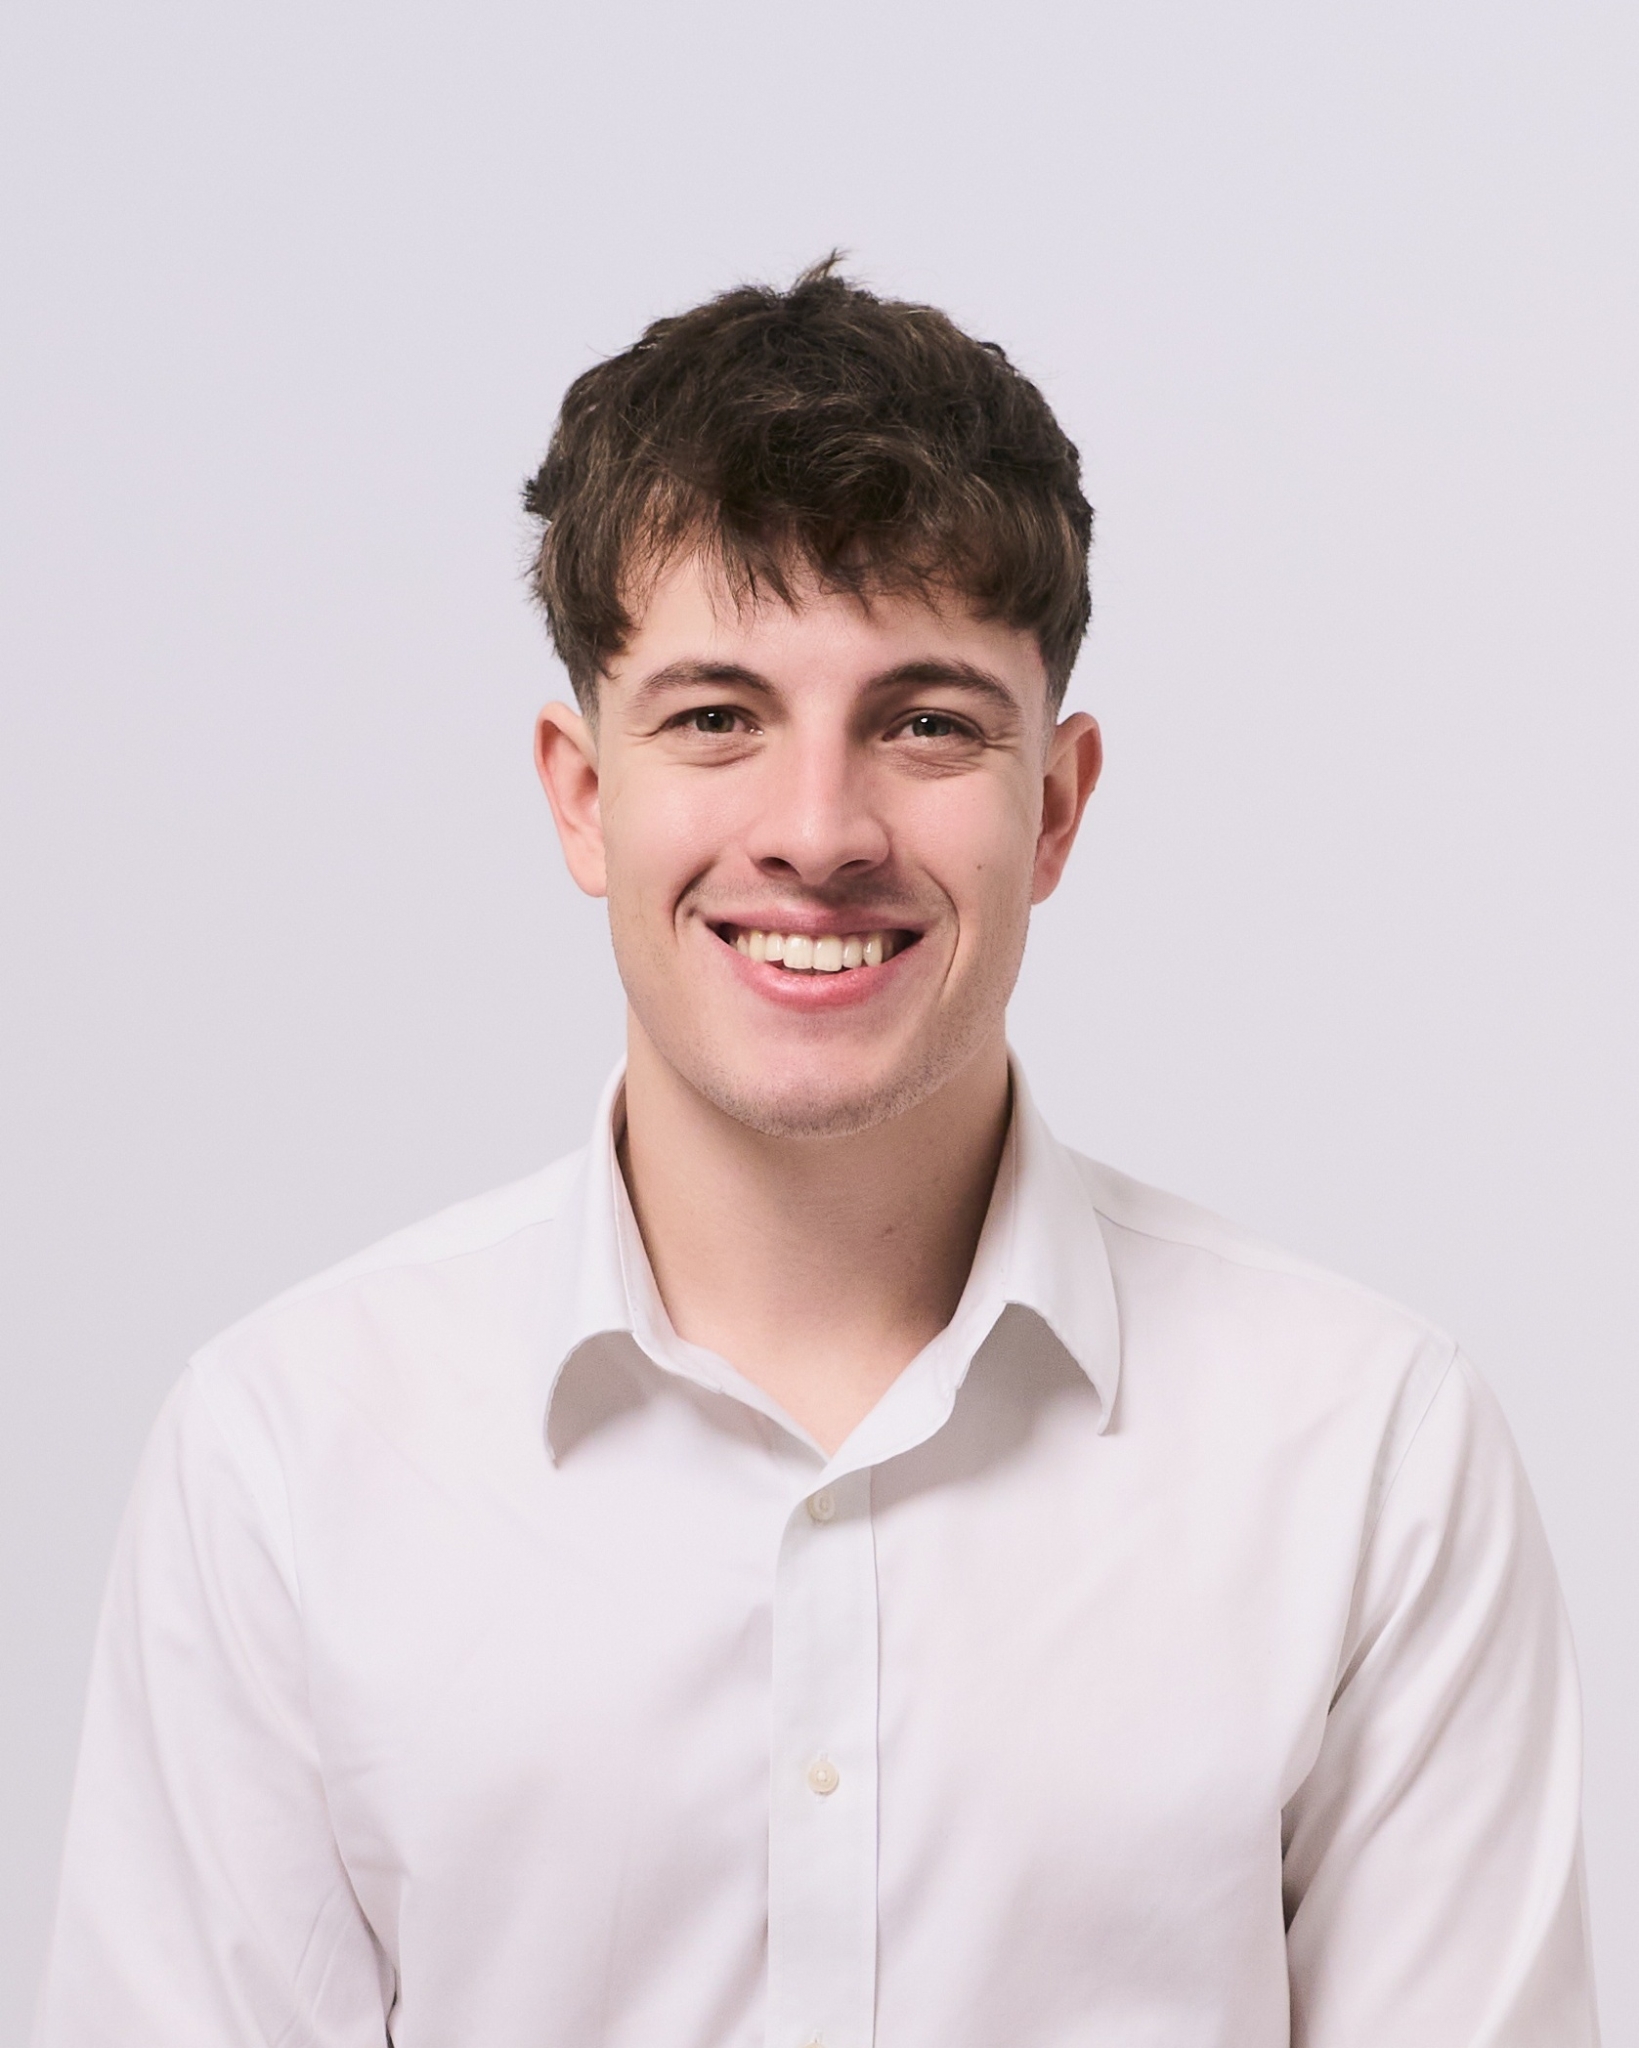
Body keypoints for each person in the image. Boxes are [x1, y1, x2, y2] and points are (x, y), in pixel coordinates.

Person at [32, 260, 1599, 2048]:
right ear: (578, 790)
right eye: (717, 716)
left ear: (1059, 804)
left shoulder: (1368, 1455)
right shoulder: (290, 1458)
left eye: (925, 721)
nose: (817, 831)